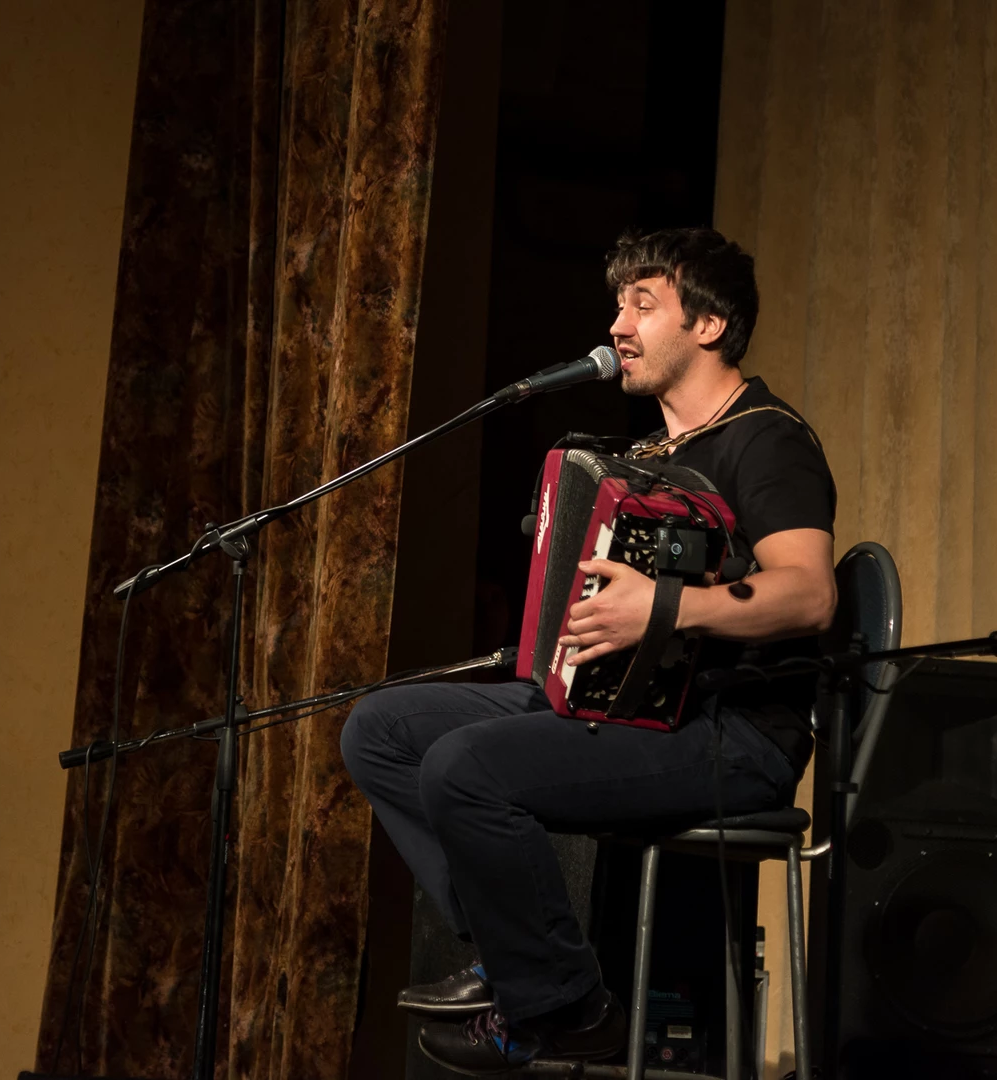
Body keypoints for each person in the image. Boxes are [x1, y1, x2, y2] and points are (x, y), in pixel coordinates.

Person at [339, 226, 838, 1075]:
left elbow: (809, 594)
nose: (616, 324)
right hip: (630, 702)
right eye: (617, 304)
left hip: (732, 734)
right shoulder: (648, 456)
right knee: (380, 729)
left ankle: (567, 1009)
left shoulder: (767, 439)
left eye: (643, 304)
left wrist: (662, 608)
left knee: (464, 766)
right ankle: (515, 960)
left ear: (708, 325)